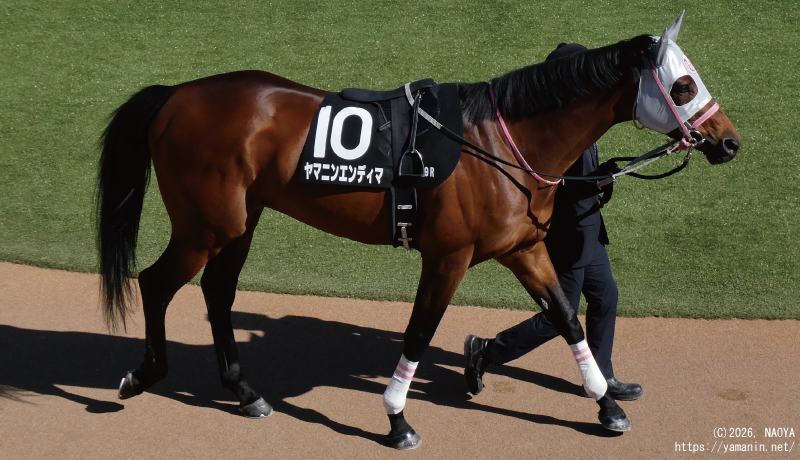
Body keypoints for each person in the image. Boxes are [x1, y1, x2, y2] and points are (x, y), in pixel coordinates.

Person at [464, 43, 644, 403]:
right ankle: (485, 351)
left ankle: (602, 375)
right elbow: (554, 187)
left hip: (588, 231)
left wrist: (601, 175)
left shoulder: (580, 117)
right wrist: (598, 180)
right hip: (567, 235)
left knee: (605, 296)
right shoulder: (553, 128)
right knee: (559, 317)